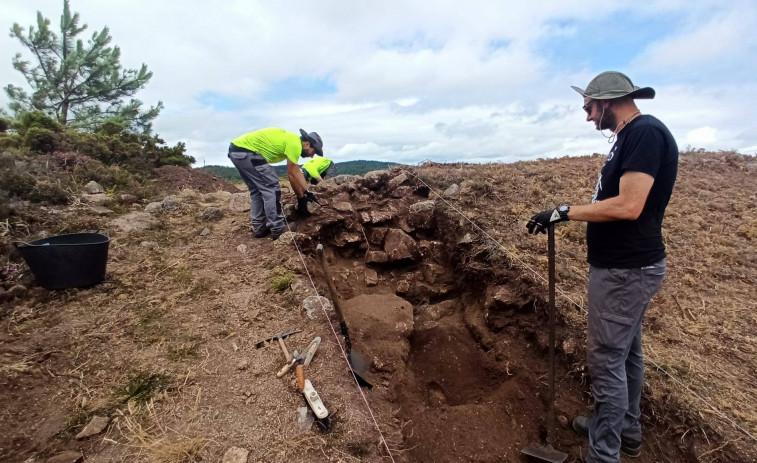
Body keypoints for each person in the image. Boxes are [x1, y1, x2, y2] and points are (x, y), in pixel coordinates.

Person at [526, 71, 678, 463]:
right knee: (626, 355)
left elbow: (629, 206)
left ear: (608, 101)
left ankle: (603, 455)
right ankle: (624, 431)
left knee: (607, 360)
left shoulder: (644, 134)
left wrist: (564, 212)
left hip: (625, 271)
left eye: (590, 108)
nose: (588, 116)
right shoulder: (630, 136)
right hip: (626, 268)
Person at [228, 128, 323, 240]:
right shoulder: (295, 144)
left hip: (236, 151)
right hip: (248, 152)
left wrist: (306, 192)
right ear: (307, 144)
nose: (312, 156)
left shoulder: (290, 139)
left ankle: (259, 229)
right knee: (271, 189)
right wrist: (302, 197)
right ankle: (278, 229)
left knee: (257, 191)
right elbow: (292, 174)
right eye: (314, 151)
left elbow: (296, 172)